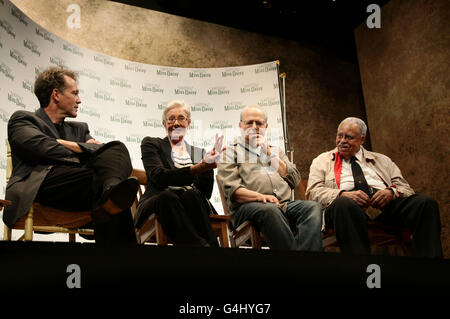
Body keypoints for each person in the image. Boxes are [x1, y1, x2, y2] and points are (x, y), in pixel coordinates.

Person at [3, 66, 139, 244]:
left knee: (117, 151)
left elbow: (105, 153)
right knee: (107, 179)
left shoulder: (80, 128)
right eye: (74, 93)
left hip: (79, 186)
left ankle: (111, 196)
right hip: (41, 185)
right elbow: (43, 148)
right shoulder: (23, 119)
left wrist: (66, 145)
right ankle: (120, 260)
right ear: (56, 95)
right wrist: (84, 151)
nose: (79, 100)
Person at [306, 117, 443, 257]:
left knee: (425, 203)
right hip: (346, 209)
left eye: (349, 137)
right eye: (339, 136)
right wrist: (342, 194)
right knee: (344, 204)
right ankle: (361, 269)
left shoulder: (382, 160)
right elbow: (312, 192)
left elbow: (406, 188)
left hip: (384, 208)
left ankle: (430, 268)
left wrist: (391, 192)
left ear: (362, 139)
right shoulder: (322, 161)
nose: (342, 141)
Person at [217, 105, 322, 251]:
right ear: (240, 126)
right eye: (249, 123)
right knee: (270, 210)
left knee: (312, 207)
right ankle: (296, 265)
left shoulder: (275, 150)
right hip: (247, 208)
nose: (254, 127)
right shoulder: (228, 152)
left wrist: (269, 153)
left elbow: (295, 180)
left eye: (259, 123)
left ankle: (307, 259)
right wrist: (261, 197)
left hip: (282, 205)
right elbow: (234, 191)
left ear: (265, 126)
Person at [134, 100, 225, 247]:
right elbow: (158, 177)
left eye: (181, 118)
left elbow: (204, 193)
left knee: (193, 194)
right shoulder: (151, 144)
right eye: (171, 119)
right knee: (168, 196)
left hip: (192, 203)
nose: (176, 123)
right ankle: (203, 248)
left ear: (188, 123)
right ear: (164, 124)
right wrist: (197, 168)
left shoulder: (198, 152)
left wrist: (207, 169)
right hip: (160, 200)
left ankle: (207, 248)